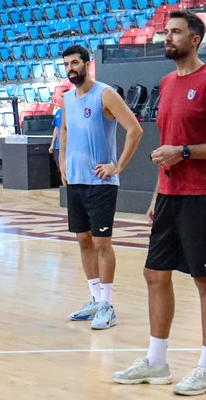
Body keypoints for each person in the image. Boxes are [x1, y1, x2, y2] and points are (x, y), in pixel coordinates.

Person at [114, 10, 206, 396]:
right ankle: (156, 362)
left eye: (175, 32)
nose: (166, 38)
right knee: (155, 274)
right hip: (170, 196)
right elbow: (167, 148)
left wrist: (185, 153)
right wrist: (158, 193)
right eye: (165, 32)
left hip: (204, 195)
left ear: (195, 39)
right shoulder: (168, 83)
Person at [50, 44, 141, 331]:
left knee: (102, 243)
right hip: (75, 181)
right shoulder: (66, 98)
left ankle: (107, 304)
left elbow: (135, 129)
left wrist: (118, 166)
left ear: (87, 64)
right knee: (84, 241)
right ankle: (94, 298)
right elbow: (64, 131)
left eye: (75, 63)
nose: (70, 68)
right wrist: (62, 163)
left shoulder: (104, 94)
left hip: (101, 183)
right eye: (66, 64)